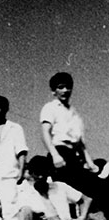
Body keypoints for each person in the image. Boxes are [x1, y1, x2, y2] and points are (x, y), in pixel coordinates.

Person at [41, 71, 106, 207]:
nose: (65, 90)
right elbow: (45, 133)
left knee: (95, 187)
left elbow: (80, 143)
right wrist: (55, 155)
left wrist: (90, 163)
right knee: (70, 193)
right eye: (61, 87)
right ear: (53, 91)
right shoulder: (50, 108)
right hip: (60, 153)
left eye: (68, 87)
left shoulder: (74, 113)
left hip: (74, 156)